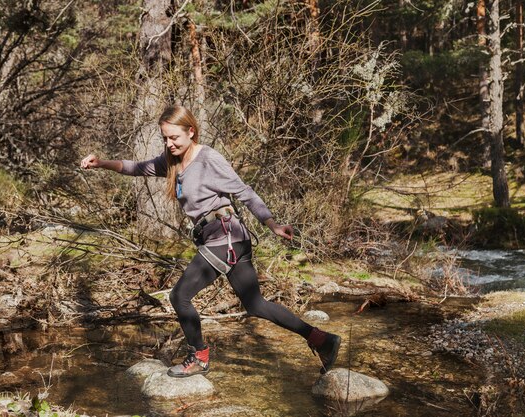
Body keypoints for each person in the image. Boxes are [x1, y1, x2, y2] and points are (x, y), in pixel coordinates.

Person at [81, 105, 341, 378]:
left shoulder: (208, 159)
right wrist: (102, 164)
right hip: (226, 239)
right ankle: (322, 340)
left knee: (179, 296)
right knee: (256, 305)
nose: (169, 144)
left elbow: (245, 192)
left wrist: (272, 223)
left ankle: (199, 357)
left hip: (225, 237)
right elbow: (135, 167)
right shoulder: (172, 161)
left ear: (190, 131)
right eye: (165, 138)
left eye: (174, 138)